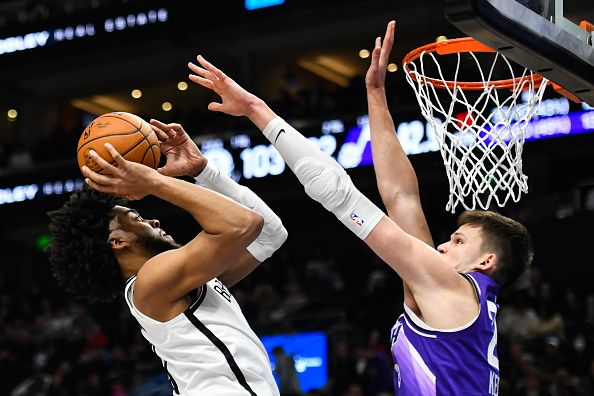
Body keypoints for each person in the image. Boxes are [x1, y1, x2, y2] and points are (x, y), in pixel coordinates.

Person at [188, 19, 533, 395]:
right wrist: (375, 94)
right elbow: (402, 196)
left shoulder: (451, 288)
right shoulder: (452, 295)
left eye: (459, 242)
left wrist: (256, 109)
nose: (443, 245)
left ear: (486, 262)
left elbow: (338, 194)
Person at [47, 120, 287, 395]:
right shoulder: (150, 282)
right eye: (137, 218)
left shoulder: (178, 281)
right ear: (118, 241)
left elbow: (270, 234)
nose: (154, 220)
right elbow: (242, 224)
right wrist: (155, 181)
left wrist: (203, 170)